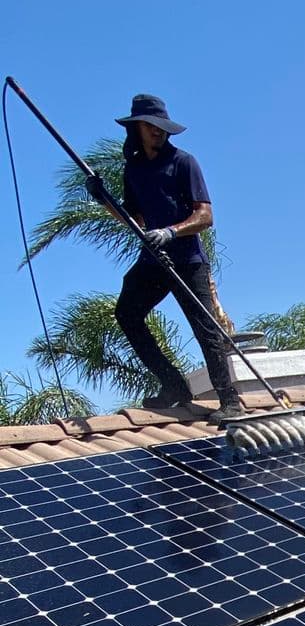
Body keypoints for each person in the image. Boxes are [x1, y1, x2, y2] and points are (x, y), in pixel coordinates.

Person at [87, 93, 239, 422]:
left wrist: (171, 231)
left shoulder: (184, 162)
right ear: (137, 128)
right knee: (127, 313)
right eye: (151, 126)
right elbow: (135, 220)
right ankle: (174, 387)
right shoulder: (134, 170)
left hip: (187, 260)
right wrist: (103, 200)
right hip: (154, 261)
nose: (158, 132)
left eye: (162, 127)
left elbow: (205, 215)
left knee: (206, 330)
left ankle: (231, 401)